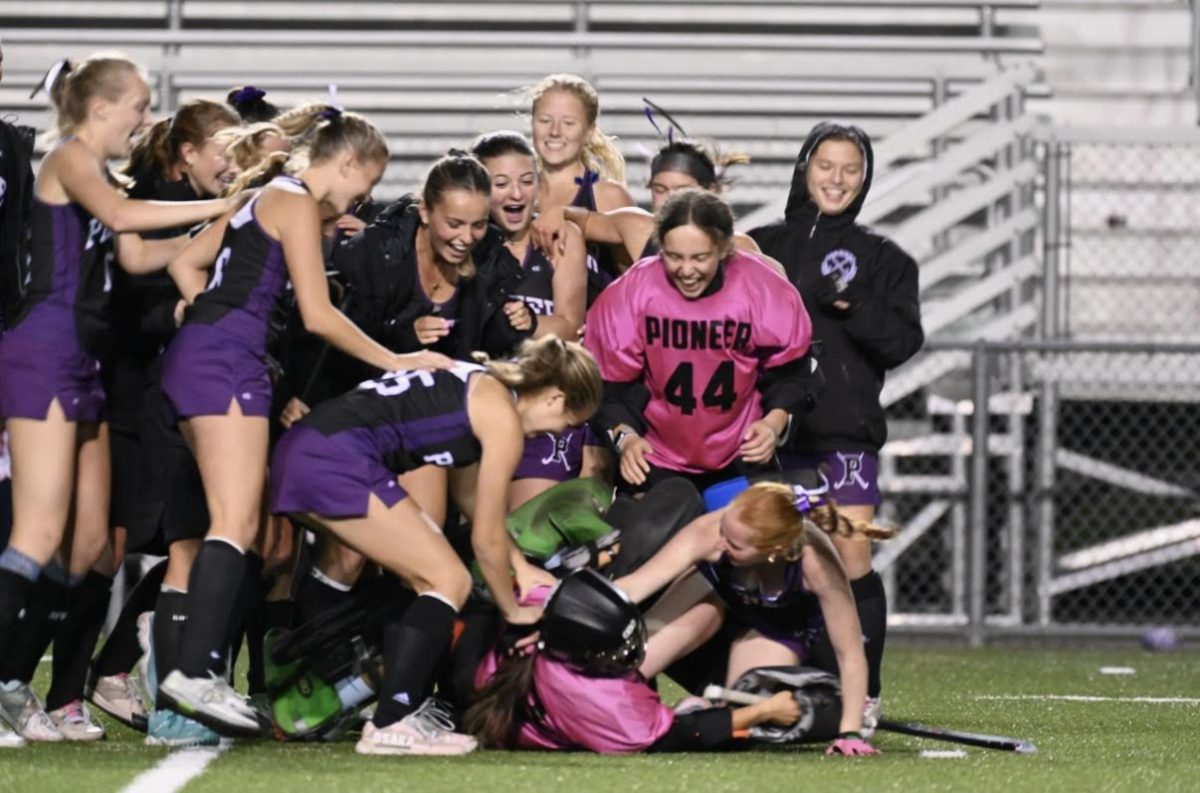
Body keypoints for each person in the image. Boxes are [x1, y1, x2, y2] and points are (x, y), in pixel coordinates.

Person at [153, 104, 452, 735]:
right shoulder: (291, 201)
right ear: (344, 162)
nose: (357, 205)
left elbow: (184, 264)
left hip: (206, 356)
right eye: (362, 188)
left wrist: (201, 313)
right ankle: (195, 674)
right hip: (227, 363)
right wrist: (396, 358)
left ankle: (197, 672)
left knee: (243, 523)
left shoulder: (264, 196)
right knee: (235, 522)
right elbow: (317, 315)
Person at [0, 54, 243, 748]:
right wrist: (223, 203)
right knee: (38, 532)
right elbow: (118, 213)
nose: (145, 119)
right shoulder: (70, 156)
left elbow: (136, 256)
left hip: (83, 357)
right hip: (43, 350)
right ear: (100, 107)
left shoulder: (98, 170)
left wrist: (233, 225)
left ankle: (17, 685)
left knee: (84, 545)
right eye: (137, 105)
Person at [269, 337, 601, 754]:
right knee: (448, 579)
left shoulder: (484, 389)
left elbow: (470, 499)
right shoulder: (503, 419)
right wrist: (513, 609)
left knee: (428, 575)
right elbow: (485, 539)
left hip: (315, 449)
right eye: (569, 422)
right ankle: (392, 721)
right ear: (555, 397)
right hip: (335, 459)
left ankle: (393, 709)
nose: (560, 431)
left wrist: (519, 563)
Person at [748, 122, 924, 719]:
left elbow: (902, 342)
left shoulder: (886, 258)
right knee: (770, 562)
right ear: (805, 168)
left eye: (851, 169)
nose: (838, 179)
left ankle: (864, 692)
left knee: (850, 562)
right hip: (769, 436)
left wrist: (855, 305)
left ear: (866, 177)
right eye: (827, 165)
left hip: (844, 438)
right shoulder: (759, 244)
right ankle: (782, 683)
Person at [87, 98, 241, 745]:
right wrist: (176, 315)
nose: (232, 168)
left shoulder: (181, 198)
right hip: (137, 391)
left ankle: (113, 668)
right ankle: (111, 673)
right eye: (224, 154)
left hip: (164, 388)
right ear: (187, 154)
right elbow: (127, 302)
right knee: (134, 543)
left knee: (173, 538)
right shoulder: (149, 201)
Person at [614, 481, 889, 755]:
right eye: (723, 529)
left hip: (775, 630)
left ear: (775, 550)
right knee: (624, 670)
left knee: (739, 727)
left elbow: (851, 654)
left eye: (734, 543)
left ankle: (700, 709)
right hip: (712, 601)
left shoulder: (816, 563)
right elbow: (636, 586)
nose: (720, 541)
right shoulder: (713, 532)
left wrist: (850, 732)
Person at [584, 190, 812, 493]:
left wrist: (772, 425)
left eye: (700, 257)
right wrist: (625, 438)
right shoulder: (634, 292)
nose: (687, 270)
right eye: (674, 257)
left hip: (741, 451)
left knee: (764, 535)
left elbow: (792, 374)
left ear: (724, 249)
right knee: (645, 537)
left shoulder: (761, 289)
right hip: (658, 455)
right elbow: (608, 388)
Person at [467, 569, 808, 754]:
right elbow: (683, 736)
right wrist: (765, 711)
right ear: (583, 657)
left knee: (706, 607)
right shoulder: (599, 701)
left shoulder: (538, 612)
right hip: (554, 708)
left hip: (493, 681)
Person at [471, 130, 607, 508]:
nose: (516, 193)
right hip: (477, 405)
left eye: (526, 181)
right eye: (501, 183)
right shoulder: (463, 241)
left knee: (526, 535)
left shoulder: (561, 239)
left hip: (543, 412)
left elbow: (570, 326)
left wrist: (529, 322)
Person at [532, 138, 770, 267]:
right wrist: (558, 212)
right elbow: (585, 220)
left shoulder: (739, 247)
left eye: (682, 189)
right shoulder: (637, 227)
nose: (670, 198)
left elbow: (781, 293)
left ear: (710, 191)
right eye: (660, 189)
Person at [527, 73, 634, 287]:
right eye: (545, 121)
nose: (555, 131)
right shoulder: (517, 194)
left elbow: (636, 286)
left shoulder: (607, 197)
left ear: (589, 131)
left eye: (569, 123)